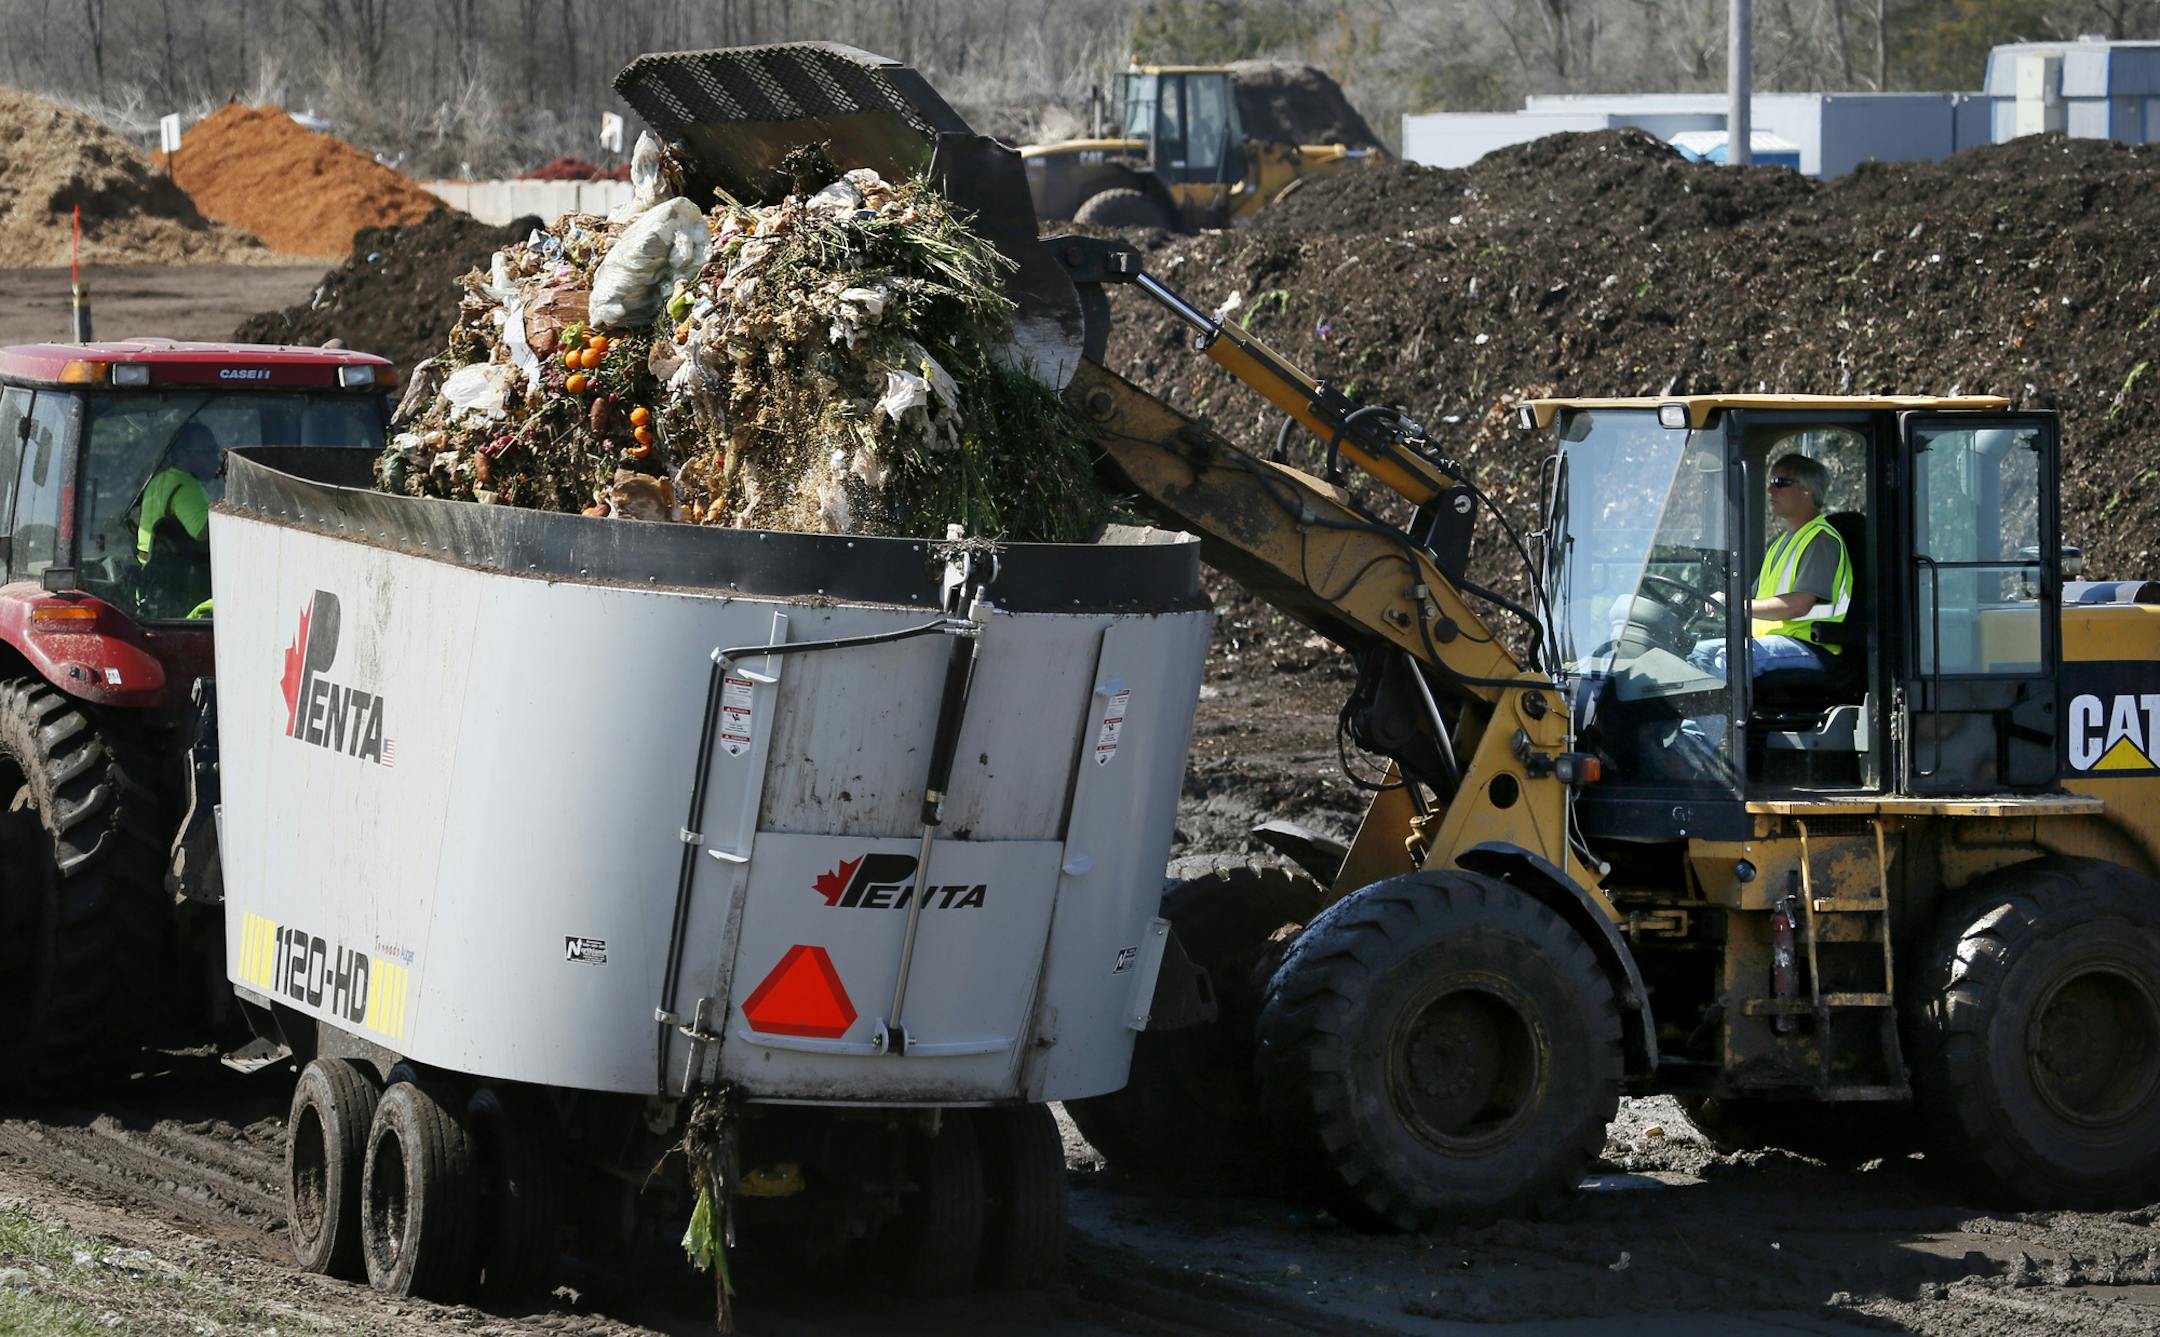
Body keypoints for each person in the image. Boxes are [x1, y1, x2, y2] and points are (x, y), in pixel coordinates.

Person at [1669, 452, 1852, 771]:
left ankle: (1692, 757)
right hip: (1778, 645)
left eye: (1781, 483)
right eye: (1771, 482)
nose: (1771, 490)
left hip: (1812, 647)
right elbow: (1752, 597)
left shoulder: (1821, 540)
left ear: (1807, 492)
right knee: (1696, 653)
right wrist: (1719, 599)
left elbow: (1799, 604)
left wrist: (1739, 606)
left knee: (1726, 658)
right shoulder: (1783, 542)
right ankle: (1683, 742)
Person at [137, 421, 220, 618]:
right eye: (206, 452)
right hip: (187, 597)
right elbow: (203, 532)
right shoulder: (187, 487)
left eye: (214, 450)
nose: (215, 459)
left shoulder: (157, 482)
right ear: (182, 454)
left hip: (148, 586)